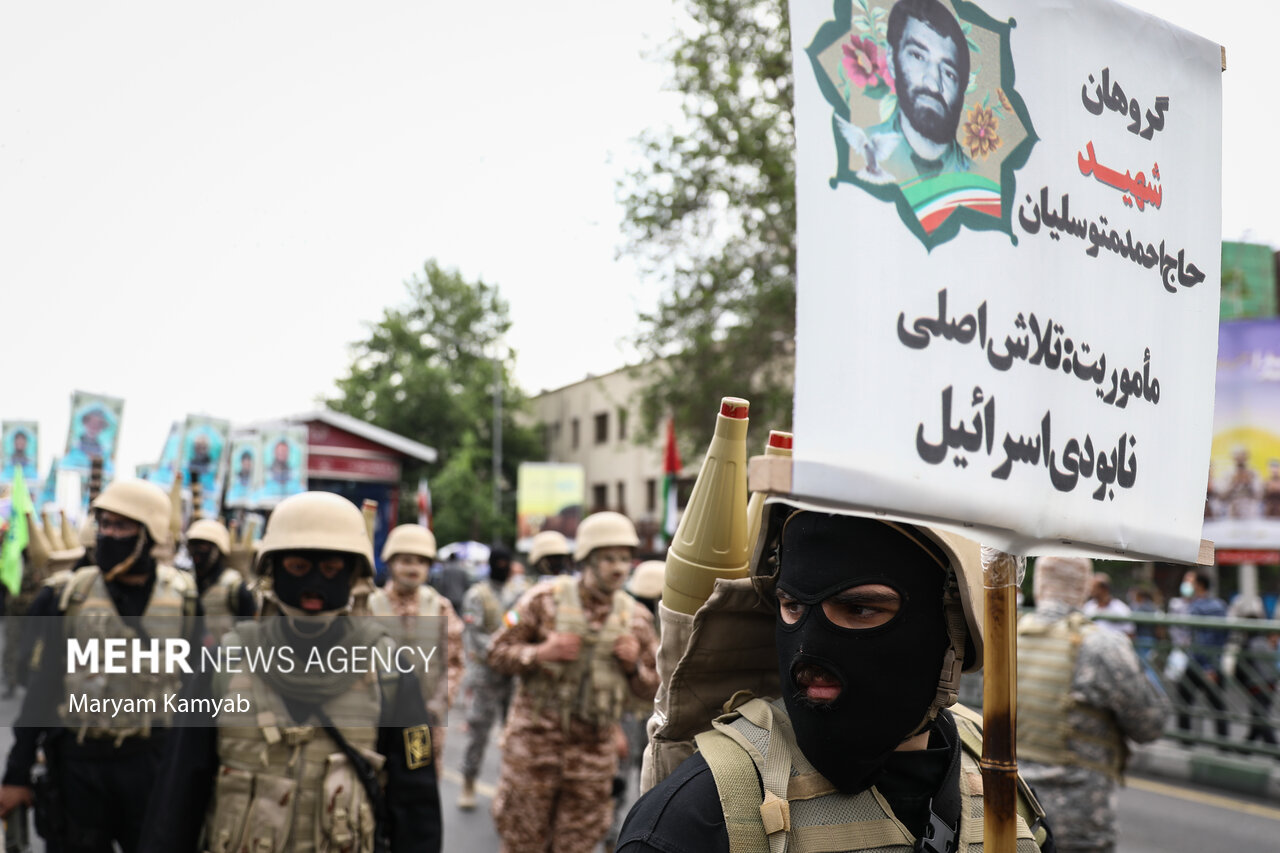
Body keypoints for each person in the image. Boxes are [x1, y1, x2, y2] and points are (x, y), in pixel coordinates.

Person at [618, 506, 1052, 853]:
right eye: (792, 607)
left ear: (951, 630)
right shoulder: (701, 816)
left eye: (860, 610)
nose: (808, 648)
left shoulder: (992, 768)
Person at [137, 491, 443, 853]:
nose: (314, 584)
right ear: (274, 571)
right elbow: (179, 788)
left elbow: (416, 793)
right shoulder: (221, 663)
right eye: (298, 568)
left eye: (331, 570)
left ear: (351, 576)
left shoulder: (391, 670)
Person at [0, 479, 201, 853]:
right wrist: (16, 773)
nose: (108, 535)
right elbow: (43, 691)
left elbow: (195, 695)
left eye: (121, 526)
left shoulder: (183, 598)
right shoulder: (69, 595)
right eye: (103, 524)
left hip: (151, 764)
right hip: (79, 764)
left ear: (150, 533)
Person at [488, 511, 659, 853]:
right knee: (522, 841)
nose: (618, 567)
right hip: (533, 748)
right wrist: (540, 653)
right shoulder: (541, 599)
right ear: (587, 560)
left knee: (576, 845)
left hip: (592, 756)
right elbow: (496, 651)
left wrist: (632, 670)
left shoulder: (637, 619)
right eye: (608, 558)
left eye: (624, 559)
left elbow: (654, 691)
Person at [1017, 556, 1168, 853]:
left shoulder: (1009, 637)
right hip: (1078, 819)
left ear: (1039, 587)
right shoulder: (1101, 646)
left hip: (1014, 812)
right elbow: (1151, 725)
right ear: (1084, 589)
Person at [366, 523, 464, 771]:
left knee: (416, 786)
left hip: (422, 721)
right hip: (375, 720)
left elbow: (453, 663)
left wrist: (439, 704)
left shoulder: (440, 608)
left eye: (421, 562)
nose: (413, 568)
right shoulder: (368, 606)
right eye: (406, 560)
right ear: (390, 563)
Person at [860, 0, 971, 183]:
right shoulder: (863, 152)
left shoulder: (978, 179)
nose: (934, 85)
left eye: (949, 73)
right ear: (892, 59)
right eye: (918, 56)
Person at [456, 545, 520, 810]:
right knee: (479, 730)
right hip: (485, 673)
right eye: (499, 562)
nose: (504, 567)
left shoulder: (514, 595)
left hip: (512, 674)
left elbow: (517, 622)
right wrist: (501, 650)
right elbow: (474, 633)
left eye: (507, 562)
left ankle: (509, 787)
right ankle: (469, 781)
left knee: (515, 733)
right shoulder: (477, 595)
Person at [1175, 572, 1230, 744]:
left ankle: (1185, 741)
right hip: (1213, 661)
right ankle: (1224, 745)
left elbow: (1203, 639)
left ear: (1198, 585)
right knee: (1218, 706)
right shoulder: (1219, 605)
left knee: (1184, 701)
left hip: (1199, 662)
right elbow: (1222, 637)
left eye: (1189, 582)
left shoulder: (1197, 607)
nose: (1186, 585)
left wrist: (1207, 666)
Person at [183, 518, 257, 647]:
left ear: (218, 549)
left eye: (202, 546)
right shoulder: (184, 582)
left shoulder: (234, 586)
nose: (196, 551)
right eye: (192, 545)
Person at [1082, 572, 1134, 639]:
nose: (1090, 590)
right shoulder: (1088, 606)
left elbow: (1130, 633)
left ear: (1103, 589)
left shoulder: (1121, 609)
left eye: (1093, 587)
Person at [428, 552, 469, 617]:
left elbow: (441, 584)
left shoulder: (445, 570)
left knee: (447, 617)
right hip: (459, 597)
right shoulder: (462, 570)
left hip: (447, 597)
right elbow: (466, 585)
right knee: (458, 616)